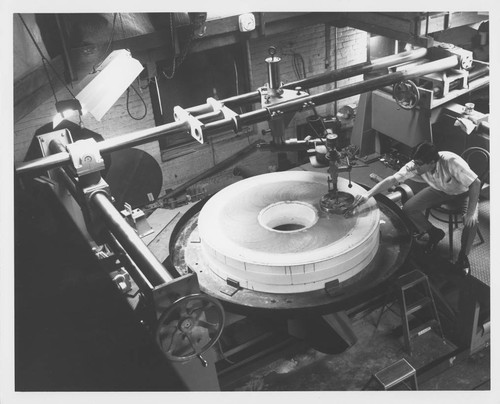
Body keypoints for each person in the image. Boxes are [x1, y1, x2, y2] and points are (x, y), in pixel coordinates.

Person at [347, 142, 481, 275]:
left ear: (433, 162)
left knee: (471, 222)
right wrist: (368, 194)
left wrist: (470, 213)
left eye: (419, 164)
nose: (415, 166)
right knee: (408, 209)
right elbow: (392, 179)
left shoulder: (451, 161)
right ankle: (434, 233)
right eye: (415, 162)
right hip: (440, 190)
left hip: (465, 193)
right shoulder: (415, 165)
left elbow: (476, 183)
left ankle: (463, 256)